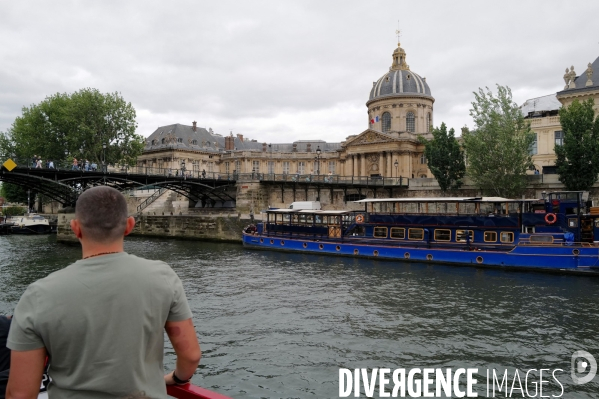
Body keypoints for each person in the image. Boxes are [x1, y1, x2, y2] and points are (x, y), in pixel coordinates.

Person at [6, 186, 201, 398]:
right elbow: (190, 356)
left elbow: (20, 394)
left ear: (75, 228)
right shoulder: (164, 277)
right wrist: (178, 379)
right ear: (129, 226)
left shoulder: (37, 295)